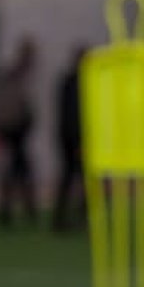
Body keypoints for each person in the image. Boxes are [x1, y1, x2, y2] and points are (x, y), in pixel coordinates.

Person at [0, 34, 39, 228]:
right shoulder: (15, 76)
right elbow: (12, 106)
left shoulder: (16, 76)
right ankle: (18, 209)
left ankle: (14, 209)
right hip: (13, 130)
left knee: (17, 171)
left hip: (14, 129)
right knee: (18, 171)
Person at [51, 44, 87, 232]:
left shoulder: (68, 81)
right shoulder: (77, 83)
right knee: (76, 178)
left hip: (68, 137)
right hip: (74, 138)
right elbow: (74, 115)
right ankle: (70, 217)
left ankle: (70, 217)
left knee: (73, 178)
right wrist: (78, 140)